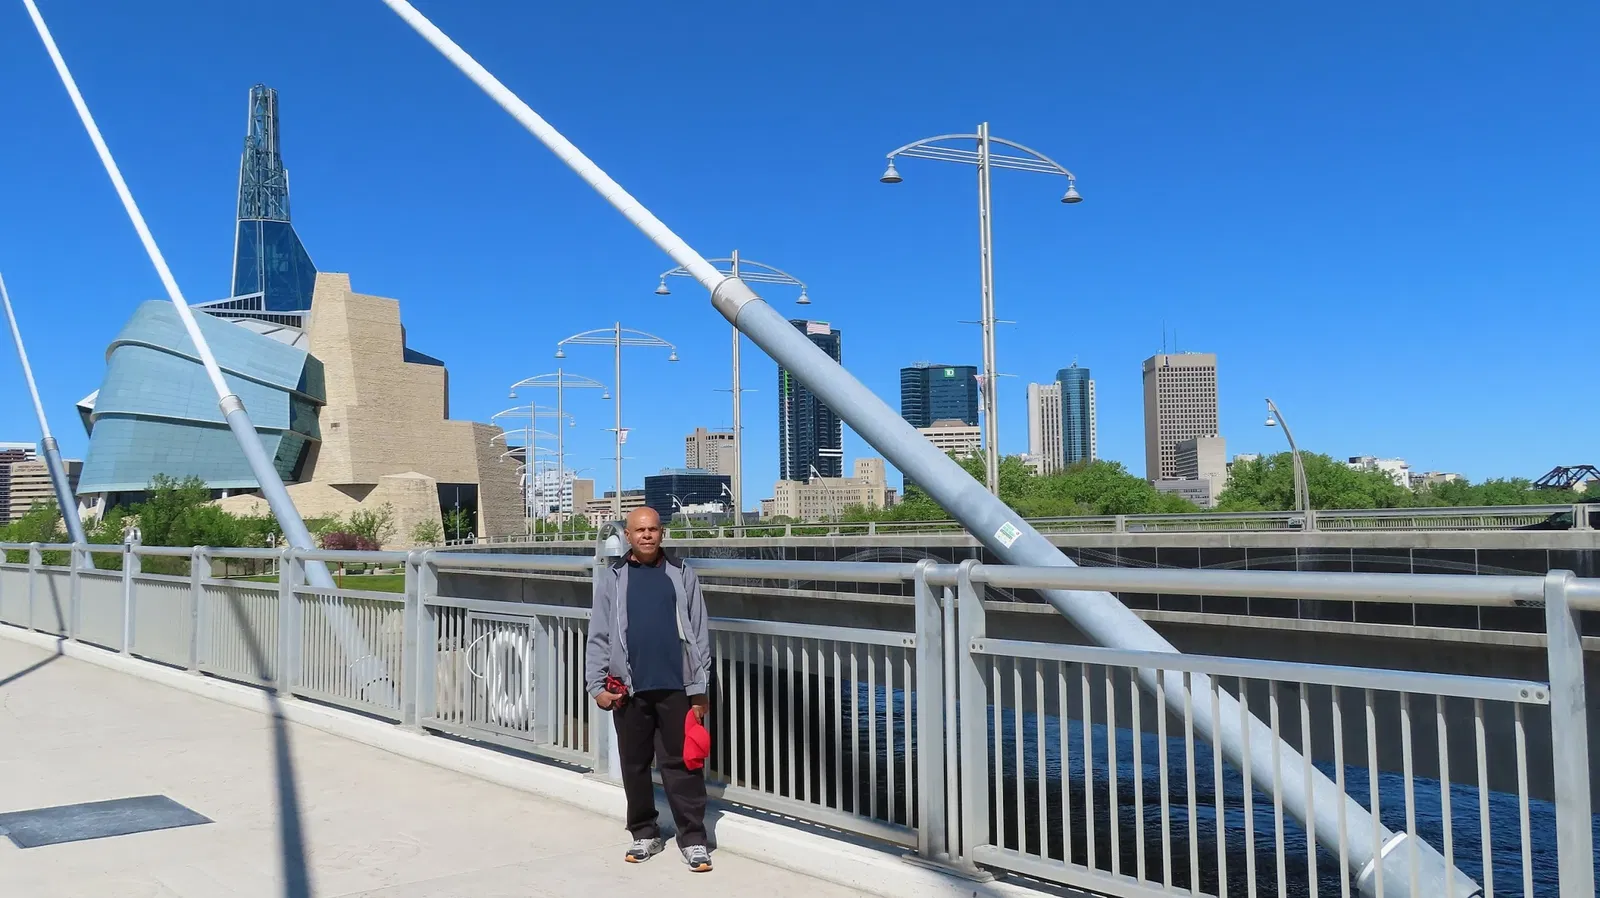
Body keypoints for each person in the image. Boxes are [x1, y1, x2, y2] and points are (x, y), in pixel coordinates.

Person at [586, 506, 714, 872]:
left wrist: (699, 688)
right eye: (639, 530)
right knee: (635, 765)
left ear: (662, 534)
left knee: (684, 765)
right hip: (630, 689)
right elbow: (599, 634)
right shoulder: (614, 577)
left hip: (677, 686)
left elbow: (699, 633)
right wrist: (595, 685)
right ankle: (644, 832)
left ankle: (693, 840)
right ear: (627, 535)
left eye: (653, 530)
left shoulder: (681, 573)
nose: (646, 535)